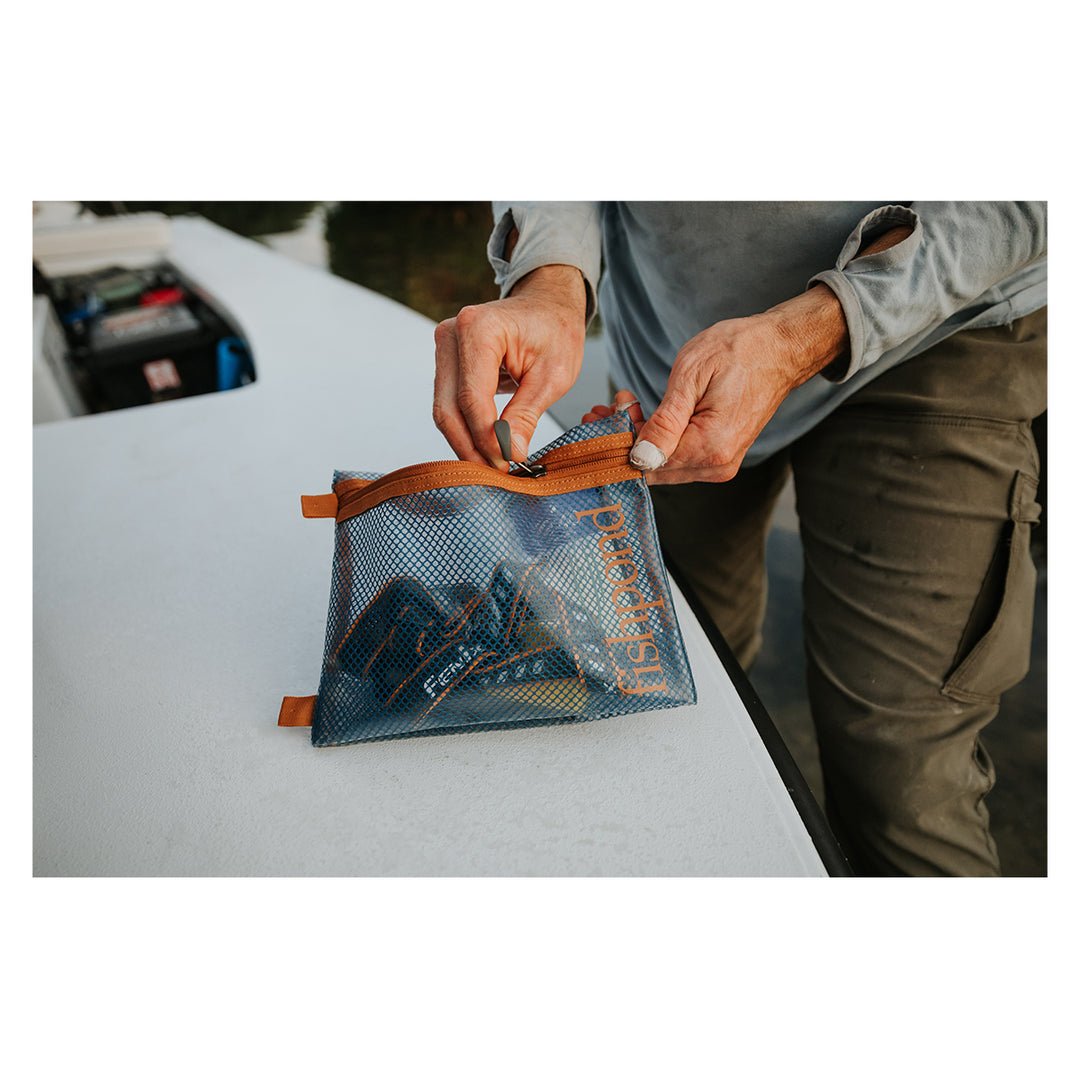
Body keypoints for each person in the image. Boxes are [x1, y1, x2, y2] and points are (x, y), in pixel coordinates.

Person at [432, 202, 1047, 876]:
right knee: (652, 686)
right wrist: (549, 279)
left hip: (935, 325)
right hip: (671, 351)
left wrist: (800, 336)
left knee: (901, 780)